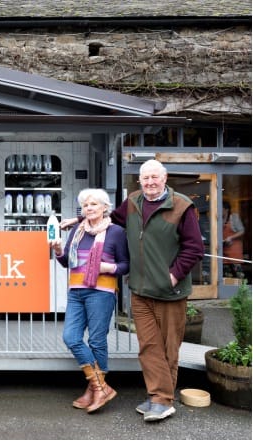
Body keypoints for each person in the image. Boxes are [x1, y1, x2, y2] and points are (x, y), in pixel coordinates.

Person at [61, 159, 204, 422]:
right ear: (139, 180)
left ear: (165, 178)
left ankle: (161, 398)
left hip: (170, 292)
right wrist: (79, 219)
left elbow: (194, 248)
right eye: (145, 178)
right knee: (149, 346)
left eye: (154, 177)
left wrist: (172, 277)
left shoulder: (182, 206)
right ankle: (159, 398)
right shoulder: (134, 202)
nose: (149, 182)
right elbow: (108, 216)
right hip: (140, 289)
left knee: (168, 348)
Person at [50, 188, 129, 413]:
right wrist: (57, 250)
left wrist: (108, 267)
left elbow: (125, 265)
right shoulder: (77, 230)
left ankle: (93, 390)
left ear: (105, 208)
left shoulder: (116, 232)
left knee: (96, 341)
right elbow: (66, 261)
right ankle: (100, 387)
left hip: (101, 292)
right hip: (76, 291)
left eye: (93, 204)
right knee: (71, 337)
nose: (89, 208)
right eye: (85, 205)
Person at [222, 201, 245, 278]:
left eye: (221, 208)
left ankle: (242, 290)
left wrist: (231, 237)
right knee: (227, 278)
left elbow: (242, 231)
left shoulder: (234, 217)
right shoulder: (218, 219)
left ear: (226, 209)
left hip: (235, 252)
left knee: (239, 277)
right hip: (224, 253)